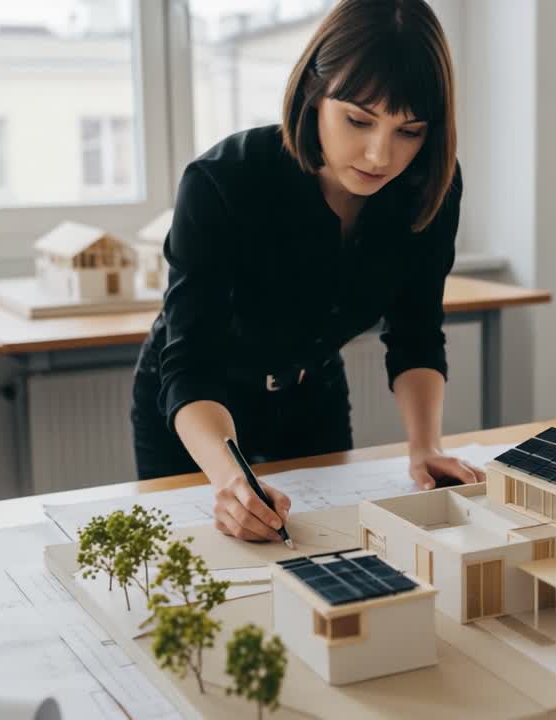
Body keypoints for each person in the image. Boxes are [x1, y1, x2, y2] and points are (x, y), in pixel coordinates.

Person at [131, 0, 485, 542]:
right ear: (314, 95)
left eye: (409, 130)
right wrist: (231, 482)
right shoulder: (224, 181)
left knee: (326, 555)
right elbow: (191, 364)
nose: (379, 155)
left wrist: (426, 449)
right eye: (358, 119)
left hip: (310, 392)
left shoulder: (429, 184)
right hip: (197, 408)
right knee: (206, 563)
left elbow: (415, 334)